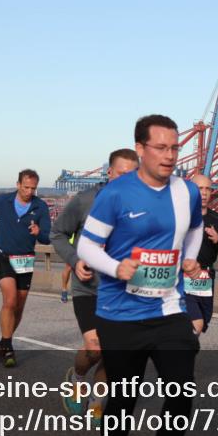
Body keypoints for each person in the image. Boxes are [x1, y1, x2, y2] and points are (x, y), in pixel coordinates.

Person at [77, 114, 203, 436]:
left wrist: (192, 259)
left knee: (182, 395)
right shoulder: (116, 194)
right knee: (124, 400)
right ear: (141, 149)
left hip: (168, 308)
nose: (169, 156)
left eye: (175, 148)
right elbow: (86, 246)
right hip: (119, 313)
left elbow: (196, 229)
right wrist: (116, 268)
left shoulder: (187, 192)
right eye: (161, 148)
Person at [51, 148, 139, 420]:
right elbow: (57, 234)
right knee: (94, 348)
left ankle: (98, 399)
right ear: (109, 172)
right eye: (122, 174)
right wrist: (76, 259)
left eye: (133, 175)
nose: (128, 180)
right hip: (88, 287)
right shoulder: (85, 200)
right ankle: (77, 379)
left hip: (123, 291)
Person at [0, 169, 52, 368]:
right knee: (10, 300)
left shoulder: (40, 206)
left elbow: (46, 237)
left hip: (25, 259)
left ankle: (3, 340)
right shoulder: (3, 201)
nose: (29, 191)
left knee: (19, 305)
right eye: (26, 187)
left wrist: (39, 232)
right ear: (18, 184)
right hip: (4, 256)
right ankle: (8, 347)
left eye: (33, 188)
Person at [186, 174, 218, 335]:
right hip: (182, 278)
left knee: (202, 322)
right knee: (196, 323)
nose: (204, 193)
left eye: (208, 188)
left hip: (206, 280)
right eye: (199, 188)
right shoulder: (179, 216)